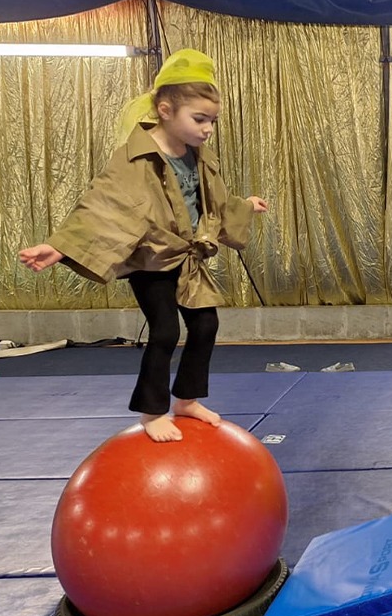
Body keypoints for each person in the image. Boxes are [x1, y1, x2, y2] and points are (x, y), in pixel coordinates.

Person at [17, 49, 267, 443]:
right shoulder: (135, 157)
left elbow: (213, 201)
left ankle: (186, 399)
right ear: (165, 110)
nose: (207, 129)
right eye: (199, 119)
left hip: (184, 258)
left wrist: (246, 206)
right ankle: (153, 412)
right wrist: (60, 246)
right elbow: (104, 204)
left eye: (212, 121)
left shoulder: (199, 156)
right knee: (165, 331)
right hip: (150, 260)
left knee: (206, 324)